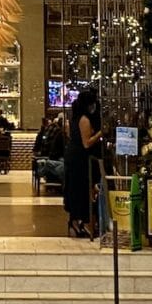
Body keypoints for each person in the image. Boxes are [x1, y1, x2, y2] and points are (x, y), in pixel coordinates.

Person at [63, 84, 103, 239]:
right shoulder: (84, 120)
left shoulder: (73, 119)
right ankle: (79, 220)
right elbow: (87, 143)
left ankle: (76, 219)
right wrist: (101, 133)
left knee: (75, 188)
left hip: (72, 156)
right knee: (80, 188)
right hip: (80, 158)